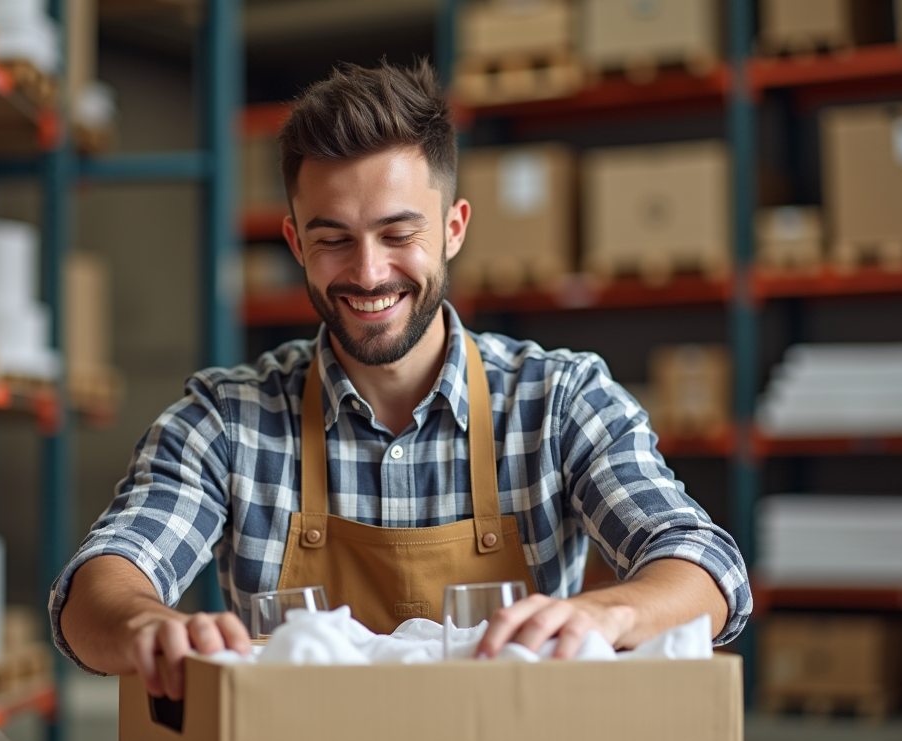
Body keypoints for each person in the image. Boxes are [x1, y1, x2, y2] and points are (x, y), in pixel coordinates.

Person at [52, 59, 751, 699]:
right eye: (333, 239)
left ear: (453, 228)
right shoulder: (227, 422)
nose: (367, 272)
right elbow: (98, 587)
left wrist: (606, 610)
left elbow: (705, 565)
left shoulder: (559, 402)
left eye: (398, 235)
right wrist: (148, 625)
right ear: (295, 240)